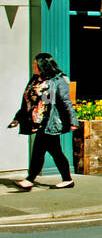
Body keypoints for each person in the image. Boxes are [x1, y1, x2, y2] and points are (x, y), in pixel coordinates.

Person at [8, 53, 78, 190]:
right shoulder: (36, 79)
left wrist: (72, 121)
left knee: (40, 151)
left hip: (49, 122)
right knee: (54, 152)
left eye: (36, 64)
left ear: (43, 65)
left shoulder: (57, 81)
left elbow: (65, 102)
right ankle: (66, 179)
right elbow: (28, 101)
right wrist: (18, 118)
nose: (34, 66)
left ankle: (30, 180)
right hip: (37, 122)